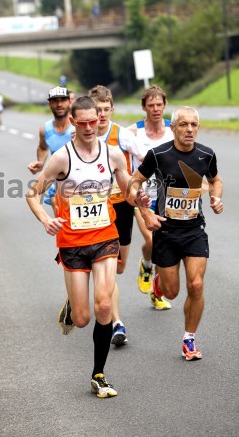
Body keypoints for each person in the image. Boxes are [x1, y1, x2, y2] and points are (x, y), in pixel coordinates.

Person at [26, 96, 152, 398]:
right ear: (72, 122)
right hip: (72, 243)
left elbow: (128, 192)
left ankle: (99, 374)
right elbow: (32, 193)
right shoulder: (61, 158)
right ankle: (72, 306)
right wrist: (46, 219)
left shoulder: (113, 155)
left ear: (100, 119)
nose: (87, 127)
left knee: (105, 305)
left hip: (105, 237)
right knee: (83, 319)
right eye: (80, 122)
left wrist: (141, 200)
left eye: (92, 121)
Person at [131, 106, 223, 361]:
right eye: (183, 125)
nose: (189, 129)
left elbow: (216, 180)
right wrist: (146, 212)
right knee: (172, 292)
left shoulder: (206, 154)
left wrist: (216, 198)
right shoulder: (158, 155)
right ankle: (159, 284)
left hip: (194, 230)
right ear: (173, 128)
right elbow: (133, 183)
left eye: (194, 125)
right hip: (166, 232)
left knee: (196, 284)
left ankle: (189, 339)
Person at [88, 85, 146, 346]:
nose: (101, 115)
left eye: (105, 109)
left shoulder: (121, 135)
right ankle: (117, 322)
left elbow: (145, 159)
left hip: (122, 205)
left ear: (112, 109)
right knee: (107, 264)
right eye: (96, 110)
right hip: (97, 211)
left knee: (120, 266)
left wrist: (136, 183)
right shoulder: (84, 136)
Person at [128, 85, 173, 310]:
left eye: (159, 104)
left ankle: (157, 294)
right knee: (152, 241)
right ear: (144, 107)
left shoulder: (174, 130)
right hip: (143, 198)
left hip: (168, 198)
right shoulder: (133, 132)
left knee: (165, 246)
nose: (156, 109)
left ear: (164, 105)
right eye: (151, 105)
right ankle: (146, 265)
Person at [28, 86, 74, 209]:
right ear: (49, 104)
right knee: (60, 217)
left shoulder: (79, 126)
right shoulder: (45, 129)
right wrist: (41, 162)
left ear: (69, 102)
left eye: (63, 100)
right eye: (55, 101)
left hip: (78, 180)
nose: (59, 104)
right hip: (57, 180)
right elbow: (43, 148)